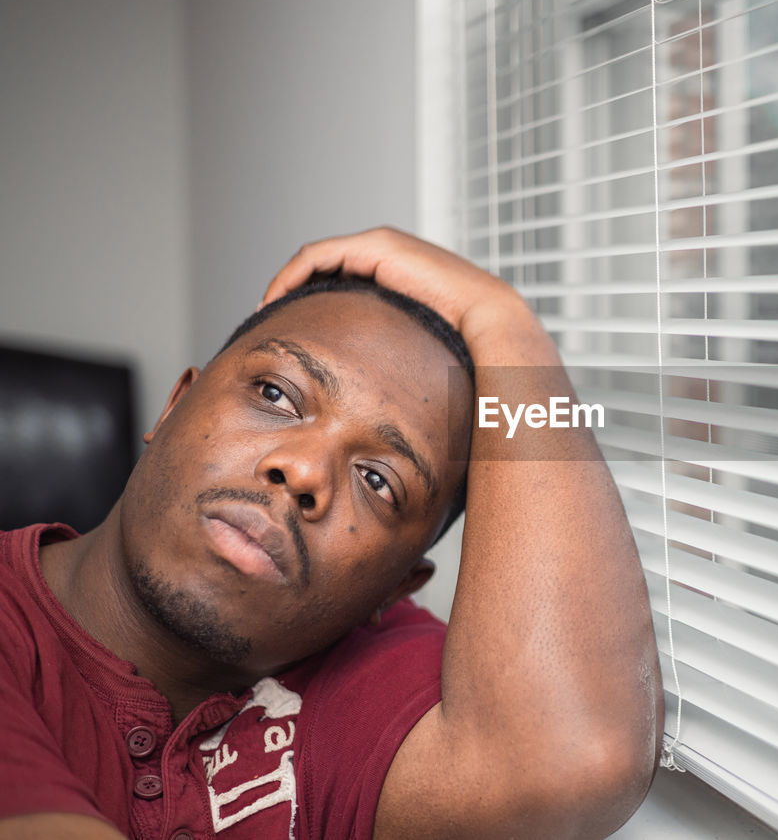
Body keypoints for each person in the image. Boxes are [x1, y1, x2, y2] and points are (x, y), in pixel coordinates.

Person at [0, 228, 663, 840]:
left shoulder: (358, 677)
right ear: (175, 407)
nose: (304, 469)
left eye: (378, 481)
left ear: (397, 586)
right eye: (275, 394)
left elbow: (575, 755)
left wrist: (503, 322)